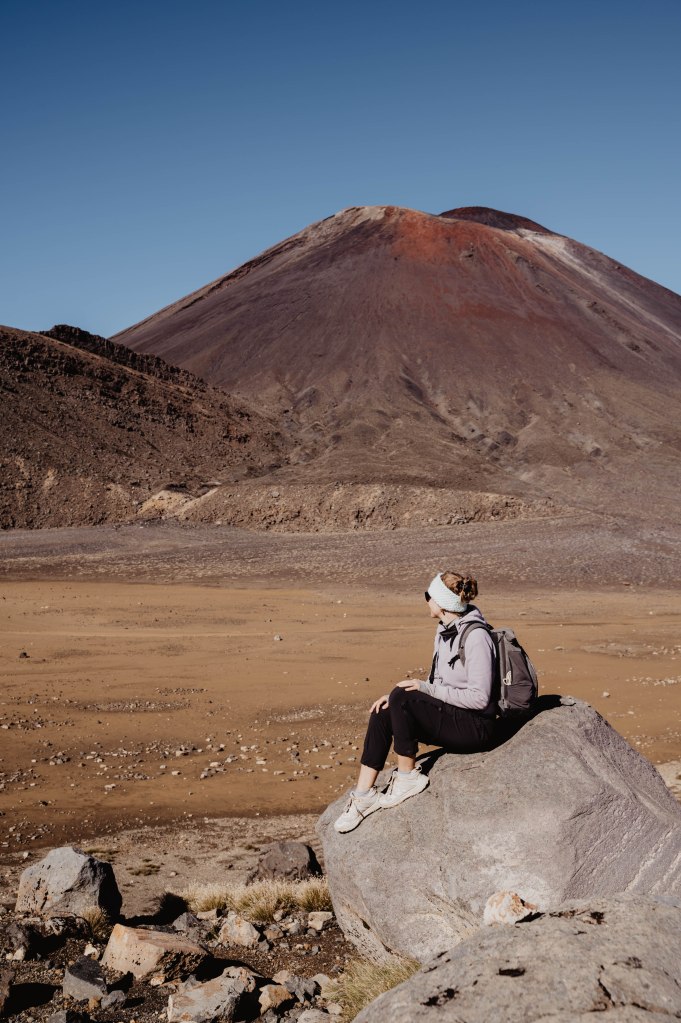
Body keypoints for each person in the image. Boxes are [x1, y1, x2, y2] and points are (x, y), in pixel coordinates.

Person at [334, 570, 497, 833]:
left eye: (428, 595)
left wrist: (422, 690)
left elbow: (480, 698)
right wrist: (404, 698)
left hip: (477, 727)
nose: (425, 601)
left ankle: (408, 777)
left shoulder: (476, 637)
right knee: (386, 708)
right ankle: (363, 797)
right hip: (455, 715)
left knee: (403, 696)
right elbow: (439, 685)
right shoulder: (444, 631)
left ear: (442, 603)